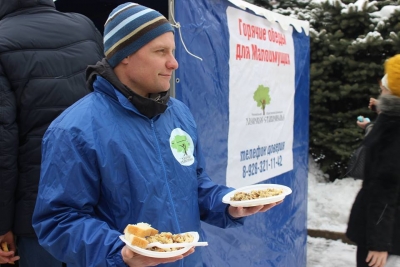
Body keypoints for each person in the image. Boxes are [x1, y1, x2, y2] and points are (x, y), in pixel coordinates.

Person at [32, 3, 283, 267]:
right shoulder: (75, 129)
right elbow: (58, 220)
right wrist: (120, 252)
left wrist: (228, 205)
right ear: (124, 55)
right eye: (160, 51)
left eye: (172, 51)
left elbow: (195, 185)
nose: (173, 62)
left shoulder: (179, 114)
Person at [0, 0, 104, 265]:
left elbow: (3, 145)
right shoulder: (84, 26)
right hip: (95, 200)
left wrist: (1, 225)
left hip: (36, 215)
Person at [346, 54, 400, 267]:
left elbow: (385, 189)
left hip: (388, 239)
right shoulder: (390, 122)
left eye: (384, 87)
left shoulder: (393, 130)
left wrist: (379, 243)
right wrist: (372, 124)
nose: (381, 90)